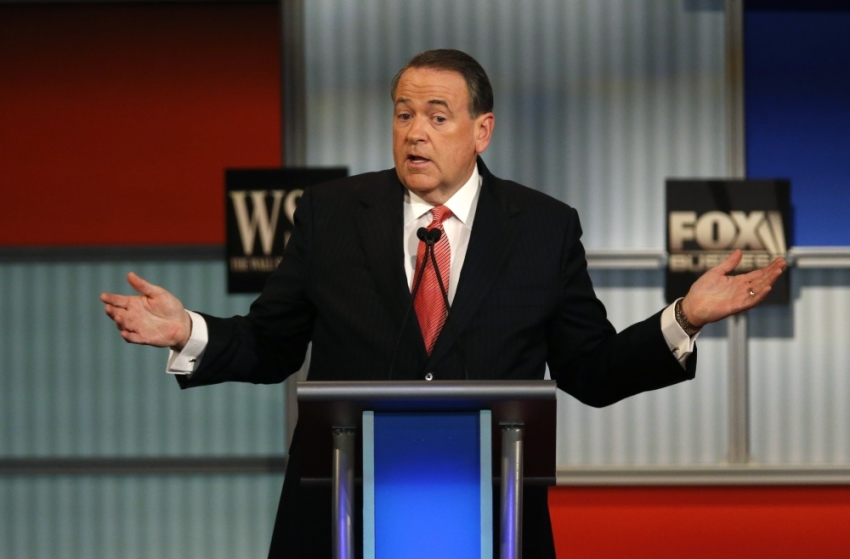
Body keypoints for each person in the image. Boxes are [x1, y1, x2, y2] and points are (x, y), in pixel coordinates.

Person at [101, 49, 786, 558]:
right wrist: (188, 329)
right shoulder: (331, 215)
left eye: (436, 116)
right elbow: (272, 343)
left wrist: (685, 317)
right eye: (403, 115)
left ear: (482, 130)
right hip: (343, 512)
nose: (415, 133)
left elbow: (590, 368)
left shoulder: (543, 226)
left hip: (492, 516)